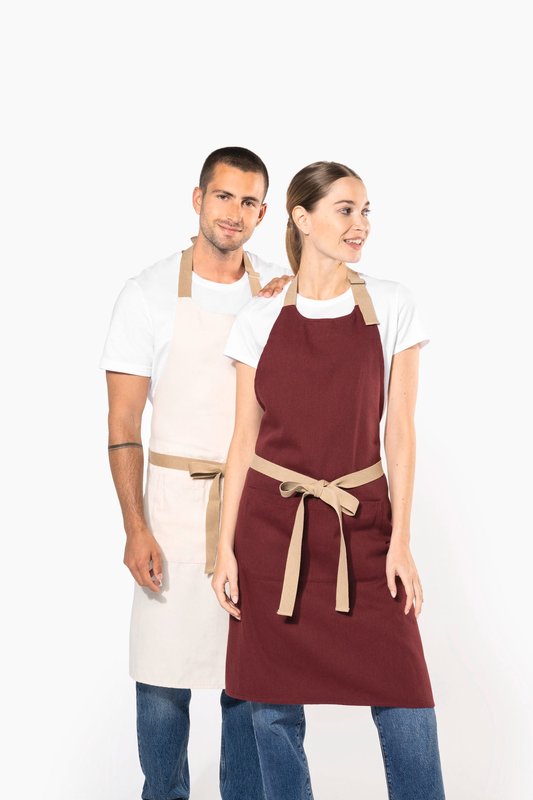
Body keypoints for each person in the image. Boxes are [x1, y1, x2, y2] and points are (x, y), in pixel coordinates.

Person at [212, 161, 447, 800]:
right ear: (301, 218)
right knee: (270, 706)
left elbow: (400, 431)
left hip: (361, 525)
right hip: (271, 531)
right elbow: (243, 440)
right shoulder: (259, 317)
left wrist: (401, 540)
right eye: (345, 210)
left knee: (405, 694)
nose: (360, 225)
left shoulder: (392, 305)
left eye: (365, 211)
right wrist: (224, 549)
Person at [100, 146, 292, 800]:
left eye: (248, 201)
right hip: (172, 512)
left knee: (249, 688)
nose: (233, 212)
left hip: (256, 508)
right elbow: (123, 425)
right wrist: (135, 527)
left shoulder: (280, 289)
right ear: (198, 199)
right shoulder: (147, 294)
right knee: (161, 686)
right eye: (223, 196)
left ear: (263, 213)